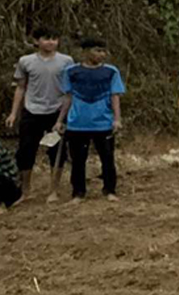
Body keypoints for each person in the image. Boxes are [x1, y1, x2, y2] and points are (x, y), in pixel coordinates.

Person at [5, 27, 73, 203]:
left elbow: (69, 90)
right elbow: (20, 87)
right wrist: (14, 113)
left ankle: (54, 190)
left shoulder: (66, 61)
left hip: (57, 110)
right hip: (32, 109)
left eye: (54, 38)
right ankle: (25, 190)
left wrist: (63, 116)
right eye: (46, 38)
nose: (50, 42)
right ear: (36, 41)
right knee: (26, 150)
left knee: (57, 150)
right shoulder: (25, 61)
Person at [54, 38, 126, 203]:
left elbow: (115, 96)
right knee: (78, 160)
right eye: (97, 50)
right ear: (85, 51)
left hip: (103, 122)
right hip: (77, 123)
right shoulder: (71, 71)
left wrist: (117, 119)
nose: (102, 54)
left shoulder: (111, 71)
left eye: (103, 51)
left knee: (107, 158)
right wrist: (60, 120)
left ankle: (110, 190)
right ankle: (78, 192)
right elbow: (68, 97)